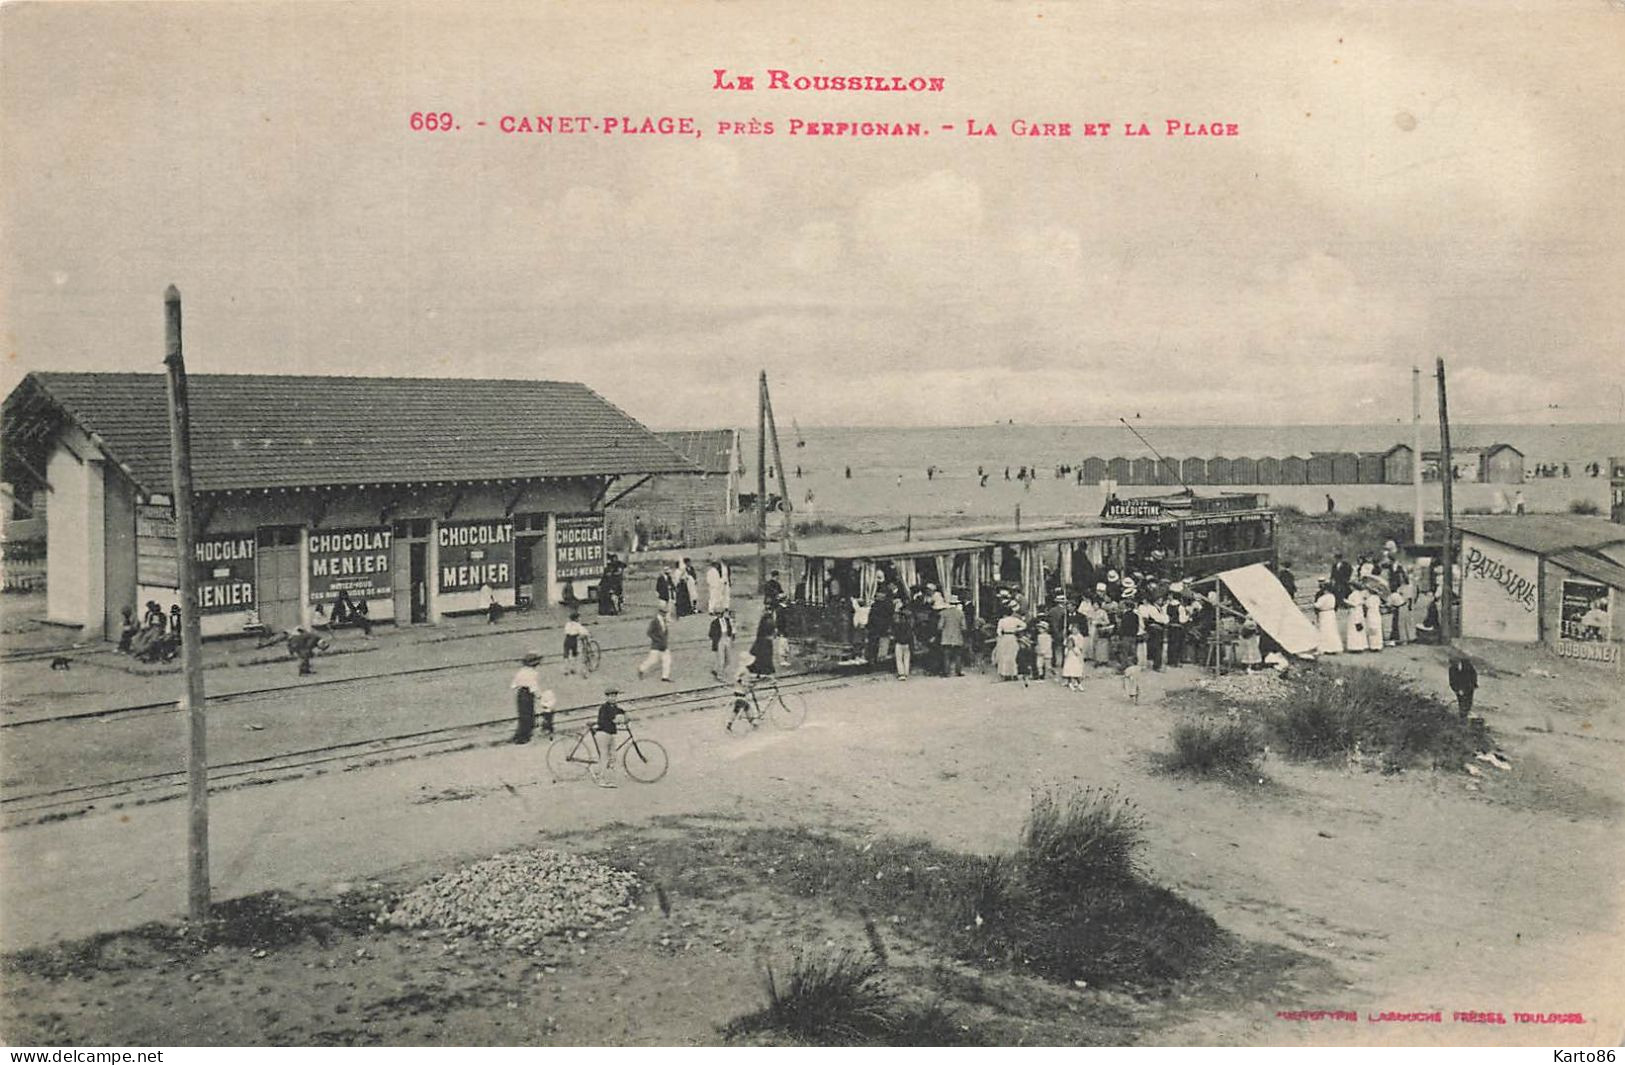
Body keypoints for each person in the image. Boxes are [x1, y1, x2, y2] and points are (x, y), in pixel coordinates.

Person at [510, 653, 556, 744]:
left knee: (523, 715)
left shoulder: (521, 671)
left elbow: (513, 685)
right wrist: (539, 696)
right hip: (528, 695)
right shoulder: (533, 673)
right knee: (529, 715)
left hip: (520, 694)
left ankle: (519, 735)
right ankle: (524, 737)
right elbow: (533, 687)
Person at [593, 687, 628, 787]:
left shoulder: (614, 707)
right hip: (603, 734)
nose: (613, 698)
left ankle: (605, 774)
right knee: (604, 756)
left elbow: (621, 711)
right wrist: (616, 720)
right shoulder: (604, 708)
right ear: (607, 697)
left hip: (610, 734)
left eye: (615, 696)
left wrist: (625, 715)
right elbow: (607, 720)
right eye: (611, 696)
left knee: (613, 756)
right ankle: (601, 780)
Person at [637, 608, 673, 682]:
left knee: (667, 660)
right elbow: (649, 632)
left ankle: (665, 677)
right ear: (660, 613)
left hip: (664, 645)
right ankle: (641, 669)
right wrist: (657, 640)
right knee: (652, 660)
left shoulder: (664, 621)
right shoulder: (654, 621)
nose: (665, 614)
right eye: (664, 613)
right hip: (656, 645)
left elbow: (665, 632)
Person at [938, 595, 967, 676]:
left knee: (946, 656)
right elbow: (964, 627)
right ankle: (958, 671)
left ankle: (946, 672)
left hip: (946, 638)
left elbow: (940, 626)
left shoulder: (943, 613)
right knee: (958, 655)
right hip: (957, 637)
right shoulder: (961, 613)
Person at [993, 606, 1025, 680]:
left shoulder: (1002, 621)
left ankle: (1005, 674)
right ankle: (1014, 673)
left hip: (1005, 638)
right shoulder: (1015, 620)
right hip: (1012, 637)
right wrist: (1017, 629)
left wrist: (1000, 636)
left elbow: (998, 631)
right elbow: (1024, 625)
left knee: (1004, 656)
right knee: (1013, 656)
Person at [1314, 580, 1343, 654]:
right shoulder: (1332, 596)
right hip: (1331, 613)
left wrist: (1314, 603)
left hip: (1324, 614)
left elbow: (1317, 605)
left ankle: (1325, 648)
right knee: (1332, 630)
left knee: (1324, 630)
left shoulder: (1324, 597)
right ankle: (1333, 647)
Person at [747, 610, 777, 678]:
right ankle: (765, 672)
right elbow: (774, 634)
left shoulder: (763, 622)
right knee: (766, 657)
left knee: (760, 658)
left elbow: (759, 633)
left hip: (761, 642)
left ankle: (757, 672)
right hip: (767, 642)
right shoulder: (770, 622)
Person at [1449, 654, 1478, 719]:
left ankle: (1465, 713)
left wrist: (1474, 683)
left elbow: (1473, 675)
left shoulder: (1467, 666)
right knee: (1463, 701)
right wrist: (1457, 689)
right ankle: (1463, 715)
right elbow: (1452, 681)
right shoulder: (1452, 669)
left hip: (1468, 687)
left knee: (1467, 701)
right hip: (1462, 688)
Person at [709, 609, 735, 679]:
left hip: (727, 638)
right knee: (721, 658)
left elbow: (731, 629)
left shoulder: (727, 620)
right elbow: (710, 634)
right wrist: (716, 639)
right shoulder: (714, 623)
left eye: (721, 613)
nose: (719, 615)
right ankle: (719, 674)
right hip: (720, 640)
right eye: (718, 614)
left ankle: (721, 671)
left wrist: (731, 638)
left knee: (728, 658)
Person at [1061, 622, 1087, 691]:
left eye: (1075, 629)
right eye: (1072, 629)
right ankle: (1069, 682)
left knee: (1077, 670)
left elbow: (1080, 648)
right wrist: (1067, 645)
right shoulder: (1070, 636)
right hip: (1069, 659)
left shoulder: (1080, 637)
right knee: (1069, 670)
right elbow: (1066, 648)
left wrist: (1074, 648)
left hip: (1076, 657)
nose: (1074, 631)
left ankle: (1078, 683)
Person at [562, 610, 589, 675]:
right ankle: (572, 668)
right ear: (576, 618)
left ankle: (566, 669)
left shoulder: (567, 624)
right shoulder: (577, 625)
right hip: (574, 640)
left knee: (566, 654)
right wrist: (587, 634)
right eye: (579, 618)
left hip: (567, 639)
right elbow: (583, 631)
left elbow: (565, 631)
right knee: (574, 654)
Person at [1364, 584, 1385, 652]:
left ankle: (1373, 645)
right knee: (1377, 629)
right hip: (1376, 613)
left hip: (1371, 613)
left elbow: (1366, 605)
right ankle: (1378, 645)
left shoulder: (1370, 598)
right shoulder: (1377, 598)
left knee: (1372, 628)